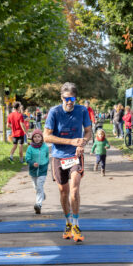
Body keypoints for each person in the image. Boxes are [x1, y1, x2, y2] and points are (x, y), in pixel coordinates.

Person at [44, 82, 92, 242]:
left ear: (76, 98)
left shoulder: (82, 110)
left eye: (72, 98)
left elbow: (88, 131)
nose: (69, 101)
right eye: (66, 98)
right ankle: (67, 222)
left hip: (75, 156)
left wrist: (83, 143)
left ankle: (76, 224)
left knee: (74, 190)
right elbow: (46, 137)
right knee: (63, 192)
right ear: (61, 98)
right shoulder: (54, 112)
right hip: (58, 156)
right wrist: (71, 141)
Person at [25, 129, 49, 214]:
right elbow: (27, 158)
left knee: (39, 187)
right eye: (35, 137)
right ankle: (42, 195)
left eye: (39, 136)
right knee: (36, 187)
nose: (37, 138)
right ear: (32, 138)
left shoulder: (45, 147)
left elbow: (47, 157)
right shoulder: (30, 148)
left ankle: (38, 205)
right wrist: (32, 163)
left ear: (41, 138)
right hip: (33, 171)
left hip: (42, 171)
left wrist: (45, 164)